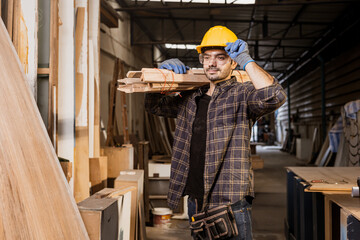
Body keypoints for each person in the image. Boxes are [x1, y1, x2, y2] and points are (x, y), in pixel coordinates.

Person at [145, 26, 286, 239]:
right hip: (195, 201)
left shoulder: (243, 94)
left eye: (221, 57)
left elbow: (274, 96)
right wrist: (161, 73)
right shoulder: (190, 98)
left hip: (230, 203)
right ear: (201, 60)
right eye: (207, 57)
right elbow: (154, 106)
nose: (212, 63)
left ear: (233, 62)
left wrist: (248, 61)